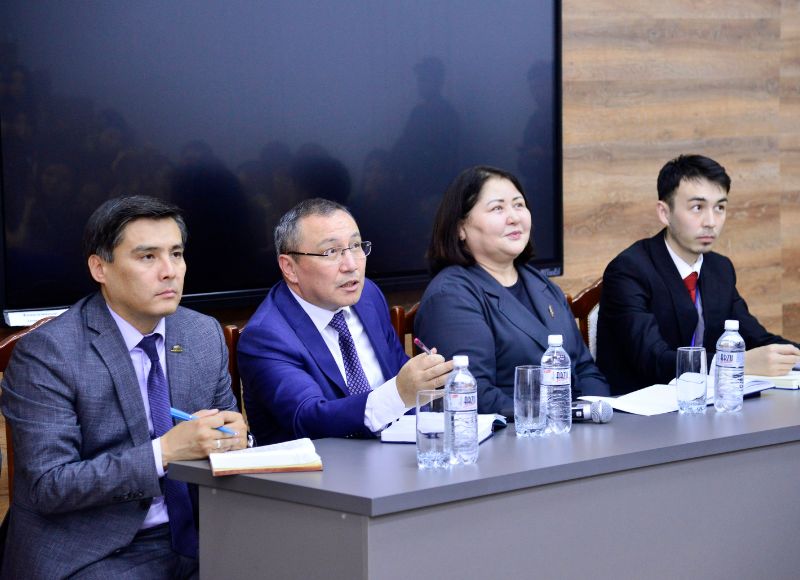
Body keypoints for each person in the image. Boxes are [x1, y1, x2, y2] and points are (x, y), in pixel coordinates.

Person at [0, 196, 248, 579]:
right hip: (95, 551)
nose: (169, 271)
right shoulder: (49, 353)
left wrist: (234, 439)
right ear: (100, 268)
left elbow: (225, 435)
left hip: (201, 535)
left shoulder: (202, 333)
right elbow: (50, 485)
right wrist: (164, 452)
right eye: (148, 257)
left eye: (176, 254)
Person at [238, 198, 453, 445]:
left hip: (395, 452)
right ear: (290, 268)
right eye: (331, 252)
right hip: (319, 466)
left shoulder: (367, 296)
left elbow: (398, 370)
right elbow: (308, 418)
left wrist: (428, 383)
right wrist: (399, 393)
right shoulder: (266, 337)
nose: (351, 265)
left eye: (355, 246)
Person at [596, 154, 800, 395]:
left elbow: (756, 338)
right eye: (697, 208)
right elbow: (653, 359)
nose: (711, 222)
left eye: (720, 208)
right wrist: (735, 363)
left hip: (708, 404)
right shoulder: (629, 269)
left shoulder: (719, 269)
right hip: (640, 407)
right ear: (664, 213)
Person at [415, 166, 610, 415]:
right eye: (498, 208)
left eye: (519, 205)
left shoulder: (542, 284)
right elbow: (475, 394)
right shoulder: (450, 296)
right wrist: (564, 416)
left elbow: (585, 370)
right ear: (460, 228)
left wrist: (596, 413)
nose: (514, 217)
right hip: (511, 432)